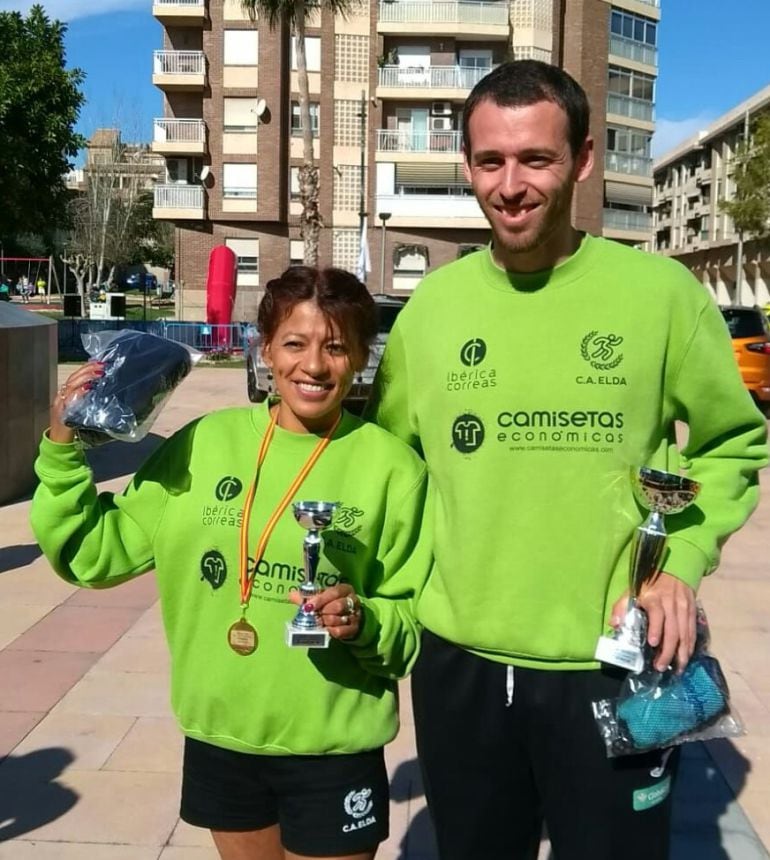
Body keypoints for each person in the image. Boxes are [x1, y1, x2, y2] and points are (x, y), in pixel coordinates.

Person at [366, 60, 768, 860]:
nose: (510, 186)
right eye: (490, 161)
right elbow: (389, 468)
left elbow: (734, 443)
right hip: (462, 667)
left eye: (536, 160)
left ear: (583, 160)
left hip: (612, 662)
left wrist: (680, 560)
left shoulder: (659, 295)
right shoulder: (432, 311)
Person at [31, 266, 431, 860]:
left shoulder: (394, 469)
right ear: (265, 348)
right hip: (223, 738)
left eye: (336, 346)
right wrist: (61, 449)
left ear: (360, 357)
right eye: (295, 344)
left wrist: (363, 620)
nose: (314, 366)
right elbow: (93, 555)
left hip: (332, 745)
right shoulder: (203, 443)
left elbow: (409, 629)